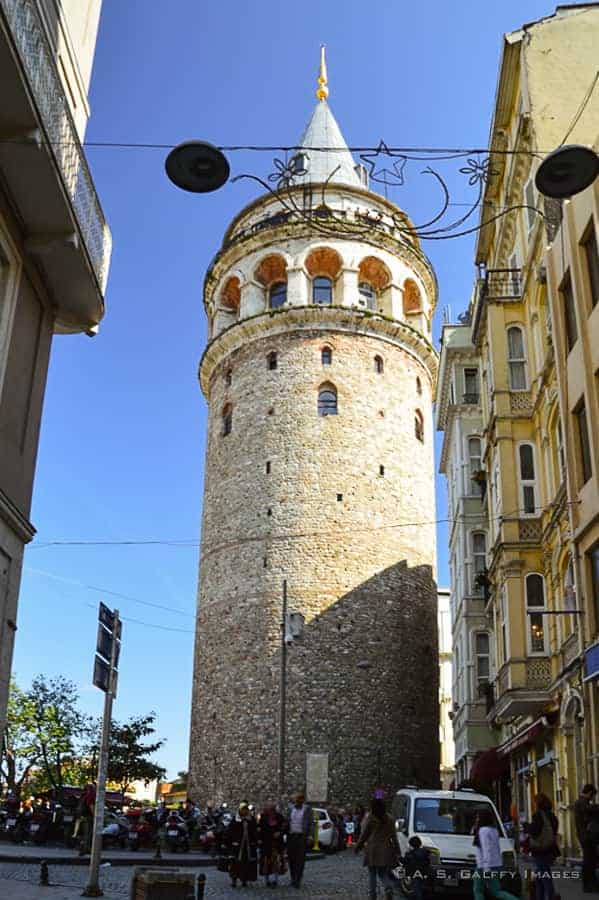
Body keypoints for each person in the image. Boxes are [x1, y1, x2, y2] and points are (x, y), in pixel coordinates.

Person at [354, 797, 400, 900]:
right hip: (386, 849)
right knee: (383, 873)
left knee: (372, 874)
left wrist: (357, 847)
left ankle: (373, 895)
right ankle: (388, 887)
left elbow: (364, 835)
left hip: (372, 849)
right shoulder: (390, 819)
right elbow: (394, 837)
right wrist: (398, 851)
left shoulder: (370, 818)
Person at [472, 808, 519, 900]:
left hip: (483, 865)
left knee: (478, 890)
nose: (476, 819)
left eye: (478, 817)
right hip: (496, 864)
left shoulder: (483, 831)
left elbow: (486, 849)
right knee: (496, 891)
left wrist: (486, 867)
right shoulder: (494, 830)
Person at [527, 793, 559, 900]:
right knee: (540, 876)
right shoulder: (552, 815)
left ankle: (551, 896)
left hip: (540, 850)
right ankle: (539, 896)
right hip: (550, 848)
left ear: (537, 804)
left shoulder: (538, 816)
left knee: (544, 876)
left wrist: (527, 827)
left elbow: (535, 831)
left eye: (534, 802)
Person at [226, 802, 258, 888]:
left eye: (246, 809)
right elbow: (230, 831)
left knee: (246, 864)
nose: (244, 811)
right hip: (237, 846)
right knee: (235, 863)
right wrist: (232, 841)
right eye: (243, 809)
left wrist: (254, 841)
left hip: (247, 847)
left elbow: (254, 831)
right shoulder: (235, 820)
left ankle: (244, 879)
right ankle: (234, 880)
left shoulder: (251, 819)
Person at [575, 784, 599, 892]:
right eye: (592, 796)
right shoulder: (581, 802)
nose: (592, 798)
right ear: (589, 793)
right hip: (586, 836)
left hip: (586, 836)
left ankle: (591, 883)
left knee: (591, 860)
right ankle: (589, 885)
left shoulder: (582, 802)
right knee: (589, 861)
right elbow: (589, 810)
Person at [287, 792, 313, 889]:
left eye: (300, 799)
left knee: (300, 859)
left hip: (301, 836)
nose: (298, 801)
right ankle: (293, 877)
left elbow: (310, 823)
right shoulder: (290, 809)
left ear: (303, 800)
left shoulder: (307, 809)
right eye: (297, 799)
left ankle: (298, 879)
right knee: (291, 859)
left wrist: (310, 835)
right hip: (291, 836)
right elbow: (287, 821)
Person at [258, 802, 286, 889]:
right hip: (266, 843)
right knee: (266, 863)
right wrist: (260, 837)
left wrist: (280, 833)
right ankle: (267, 881)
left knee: (276, 862)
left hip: (276, 844)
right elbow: (260, 828)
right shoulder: (263, 817)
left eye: (272, 810)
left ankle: (275, 880)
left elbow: (284, 827)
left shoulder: (279, 817)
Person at [403, 835, 430, 900]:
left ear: (411, 845)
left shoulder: (410, 854)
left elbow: (405, 862)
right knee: (420, 888)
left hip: (413, 874)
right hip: (423, 873)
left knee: (416, 889)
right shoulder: (425, 852)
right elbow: (427, 863)